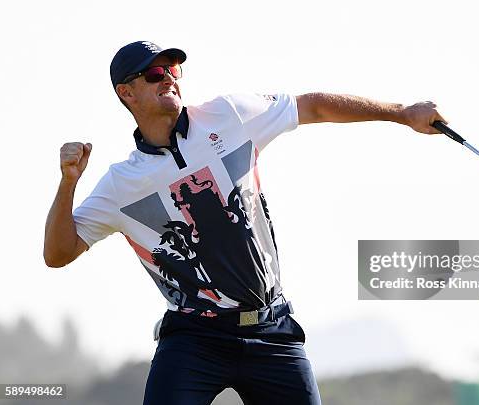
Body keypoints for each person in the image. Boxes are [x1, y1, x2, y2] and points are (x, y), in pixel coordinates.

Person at [43, 40, 447, 405]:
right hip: (195, 338)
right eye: (153, 74)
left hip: (271, 328)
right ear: (126, 92)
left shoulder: (229, 115)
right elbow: (58, 254)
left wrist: (402, 113)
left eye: (173, 71)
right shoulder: (120, 184)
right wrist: (68, 184)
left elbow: (314, 106)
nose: (167, 79)